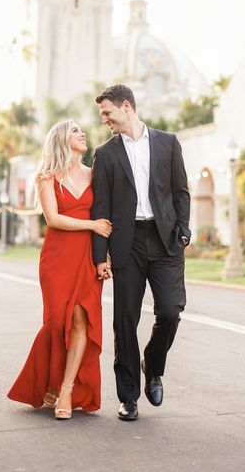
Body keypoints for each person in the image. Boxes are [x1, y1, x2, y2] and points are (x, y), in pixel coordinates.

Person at [92, 84, 190, 422]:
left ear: (126, 106)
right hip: (127, 244)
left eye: (108, 112)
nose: (104, 119)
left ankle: (154, 365)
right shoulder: (105, 153)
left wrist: (184, 230)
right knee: (125, 320)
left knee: (171, 311)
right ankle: (128, 396)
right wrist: (99, 255)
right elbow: (100, 207)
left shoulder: (167, 143)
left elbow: (181, 191)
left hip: (165, 241)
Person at [7, 120, 112, 420]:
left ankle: (66, 388)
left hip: (86, 258)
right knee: (56, 324)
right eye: (75, 131)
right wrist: (92, 224)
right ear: (61, 139)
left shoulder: (95, 174)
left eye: (82, 130)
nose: (82, 134)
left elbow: (105, 215)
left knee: (81, 320)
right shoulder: (46, 176)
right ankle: (48, 381)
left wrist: (105, 256)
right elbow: (53, 219)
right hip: (57, 258)